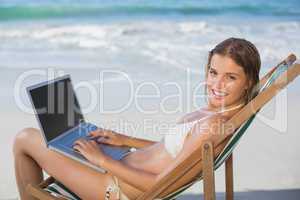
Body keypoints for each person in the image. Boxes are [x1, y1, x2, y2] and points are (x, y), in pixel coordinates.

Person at [13, 37, 261, 200]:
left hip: (115, 188)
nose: (216, 84)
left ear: (248, 81)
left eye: (230, 77)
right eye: (213, 72)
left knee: (25, 139)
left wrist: (102, 160)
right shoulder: (218, 114)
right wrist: (122, 140)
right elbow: (171, 152)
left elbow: (159, 184)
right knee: (64, 137)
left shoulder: (213, 125)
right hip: (122, 162)